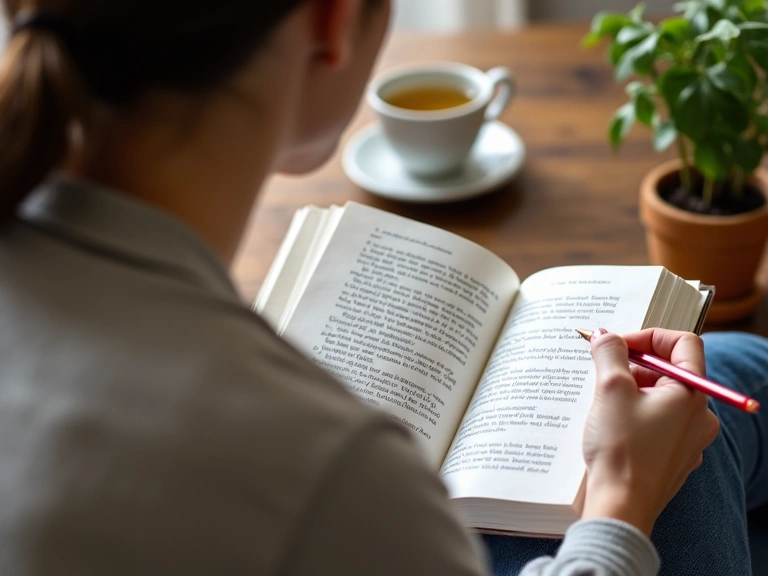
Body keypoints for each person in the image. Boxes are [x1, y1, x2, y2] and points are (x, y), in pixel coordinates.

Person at [0, 1, 765, 574]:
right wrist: (621, 500)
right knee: (714, 426)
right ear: (331, 25)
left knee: (730, 374)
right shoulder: (332, 474)